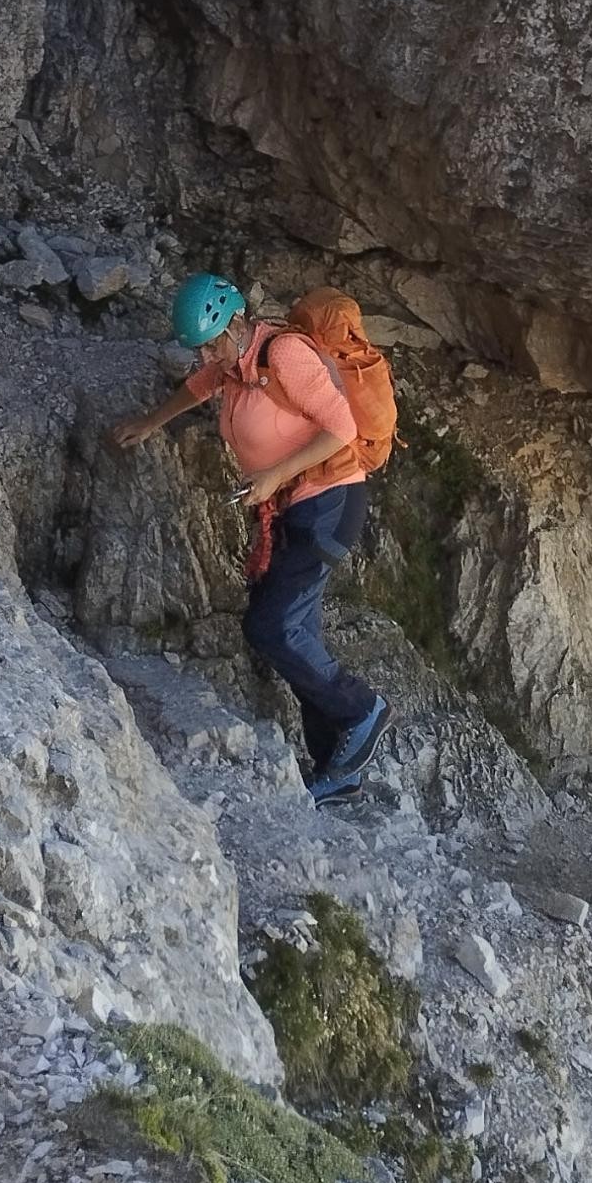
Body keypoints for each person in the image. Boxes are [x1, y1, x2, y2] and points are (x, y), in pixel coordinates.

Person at [113, 275, 391, 802]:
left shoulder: (283, 355)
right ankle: (339, 768)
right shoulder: (234, 366)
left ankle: (362, 710)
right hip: (297, 507)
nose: (206, 357)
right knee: (296, 630)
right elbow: (198, 387)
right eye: (200, 348)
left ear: (236, 322)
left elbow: (342, 428)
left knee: (272, 627)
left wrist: (274, 475)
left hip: (331, 501)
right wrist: (151, 422)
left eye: (213, 343)